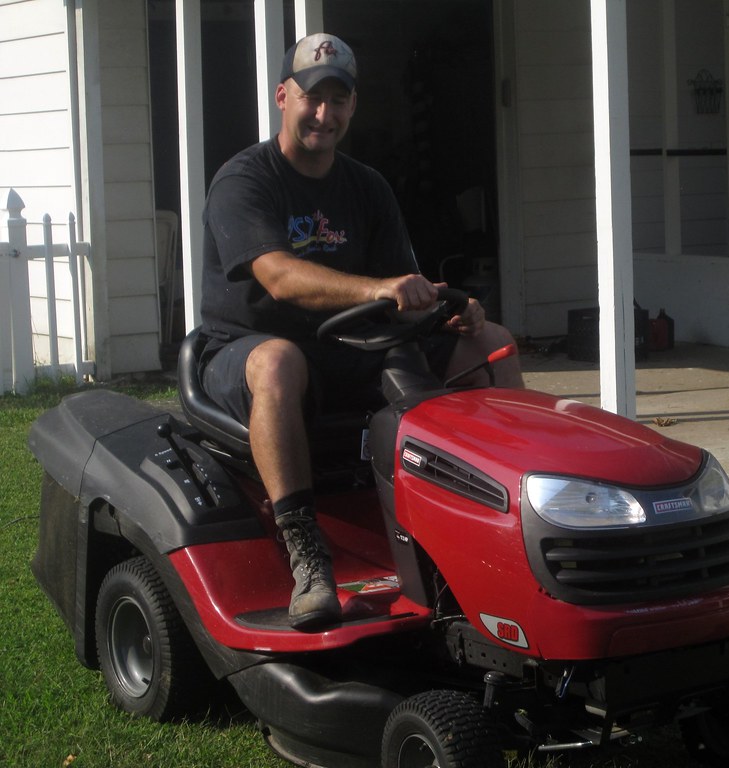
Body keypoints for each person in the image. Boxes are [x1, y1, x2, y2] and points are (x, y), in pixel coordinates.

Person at [197, 32, 524, 630]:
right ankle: (306, 555)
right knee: (279, 362)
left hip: (351, 348)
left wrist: (448, 310)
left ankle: (514, 525)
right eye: (312, 97)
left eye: (338, 100)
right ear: (282, 96)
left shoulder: (367, 187)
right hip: (243, 356)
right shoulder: (244, 180)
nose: (325, 114)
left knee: (489, 339)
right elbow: (279, 278)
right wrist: (376, 288)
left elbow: (401, 290)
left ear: (352, 106)